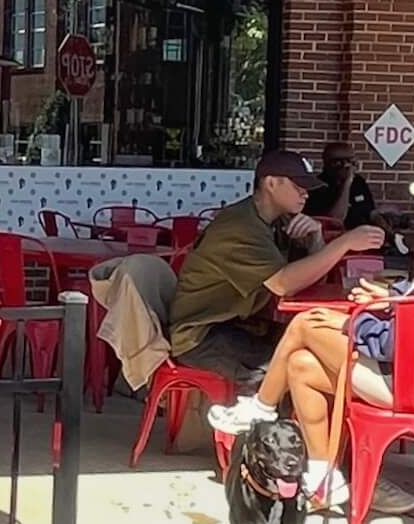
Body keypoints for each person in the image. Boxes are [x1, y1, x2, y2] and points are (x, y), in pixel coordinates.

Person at [207, 172, 414, 514]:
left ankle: (261, 408)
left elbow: (394, 343)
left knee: (304, 323)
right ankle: (324, 478)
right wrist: (391, 298)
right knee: (300, 365)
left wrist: (351, 322)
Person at [165, 151, 385, 390]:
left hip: (239, 323)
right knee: (293, 369)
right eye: (298, 185)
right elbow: (283, 283)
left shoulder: (276, 220)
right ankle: (262, 424)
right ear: (270, 183)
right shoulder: (240, 227)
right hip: (201, 336)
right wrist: (343, 244)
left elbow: (307, 277)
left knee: (315, 347)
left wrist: (316, 240)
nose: (305, 193)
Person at [304, 141, 377, 229]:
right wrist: (346, 183)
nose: (349, 166)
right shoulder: (317, 186)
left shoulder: (358, 182)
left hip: (362, 233)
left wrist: (390, 233)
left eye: (352, 161)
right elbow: (334, 221)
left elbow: (371, 213)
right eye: (340, 162)